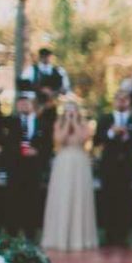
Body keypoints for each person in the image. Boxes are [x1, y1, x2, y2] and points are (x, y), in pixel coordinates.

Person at [41, 102, 98, 251]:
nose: (70, 113)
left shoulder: (84, 125)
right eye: (67, 111)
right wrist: (67, 123)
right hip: (63, 162)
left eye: (73, 111)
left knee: (79, 196)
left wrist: (75, 122)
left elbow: (82, 139)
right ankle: (59, 237)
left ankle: (80, 238)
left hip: (80, 161)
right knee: (63, 196)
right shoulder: (58, 125)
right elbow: (60, 140)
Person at [94, 91, 132, 247]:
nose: (121, 102)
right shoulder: (105, 118)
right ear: (114, 101)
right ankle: (108, 235)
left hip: (127, 167)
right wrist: (111, 133)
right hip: (109, 167)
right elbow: (97, 140)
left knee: (125, 201)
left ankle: (123, 236)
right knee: (108, 200)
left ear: (128, 101)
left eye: (125, 99)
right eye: (119, 99)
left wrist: (127, 135)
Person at [3, 95, 53, 241]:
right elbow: (5, 143)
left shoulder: (42, 124)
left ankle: (30, 234)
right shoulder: (11, 123)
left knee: (32, 200)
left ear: (32, 105)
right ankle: (12, 235)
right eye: (20, 104)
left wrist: (37, 152)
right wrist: (17, 150)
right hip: (15, 167)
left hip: (34, 168)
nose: (24, 106)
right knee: (13, 199)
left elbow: (48, 146)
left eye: (27, 103)